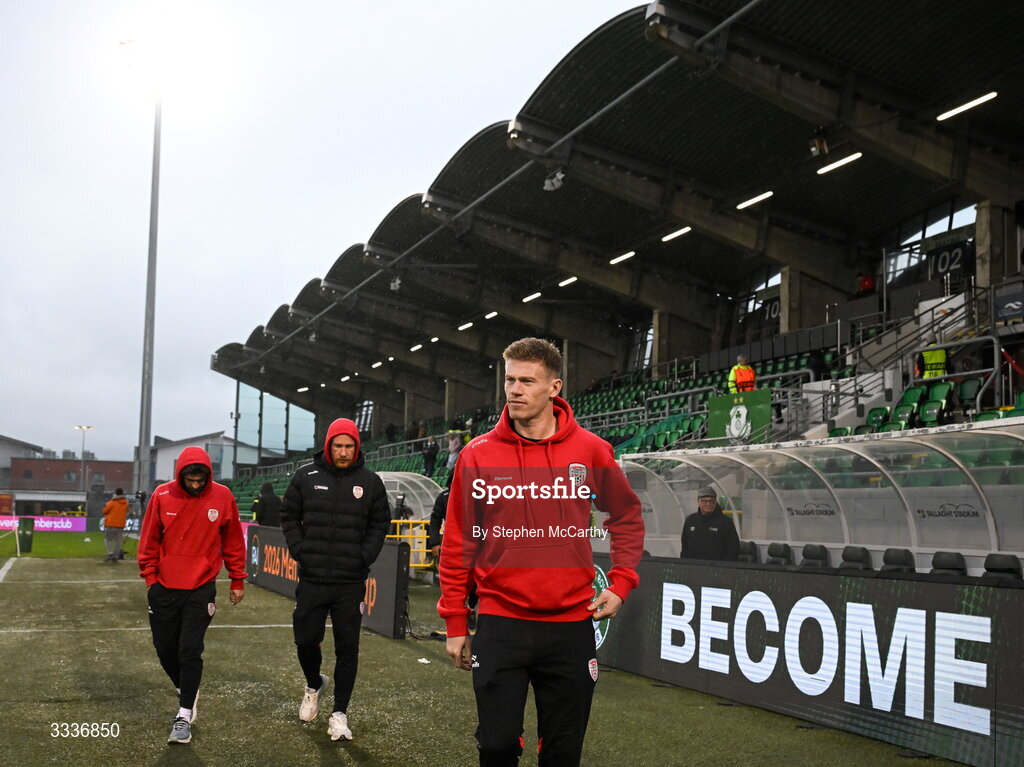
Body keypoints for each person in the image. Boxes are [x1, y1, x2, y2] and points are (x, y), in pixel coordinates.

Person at [438, 337, 645, 767]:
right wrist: (456, 619)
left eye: (527, 381)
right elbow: (459, 543)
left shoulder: (591, 451)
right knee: (495, 747)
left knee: (563, 752)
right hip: (500, 621)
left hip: (570, 624)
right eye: (510, 380)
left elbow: (626, 515)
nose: (514, 390)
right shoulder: (477, 455)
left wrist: (623, 582)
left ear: (555, 387)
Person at [280, 418, 391, 742]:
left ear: (357, 448)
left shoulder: (370, 482)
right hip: (313, 578)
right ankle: (314, 684)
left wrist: (364, 556)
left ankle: (339, 713)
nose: (343, 452)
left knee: (348, 648)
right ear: (328, 446)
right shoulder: (306, 476)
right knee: (305, 640)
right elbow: (288, 515)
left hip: (350, 581)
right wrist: (300, 550)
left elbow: (380, 522)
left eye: (349, 446)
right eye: (338, 446)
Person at [137, 447, 246, 745]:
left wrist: (237, 578)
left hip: (201, 587)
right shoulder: (162, 495)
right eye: (190, 480)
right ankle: (188, 689)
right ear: (180, 475)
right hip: (164, 588)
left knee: (189, 648)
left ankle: (184, 714)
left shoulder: (223, 497)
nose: (195, 485)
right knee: (164, 650)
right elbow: (149, 539)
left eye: (200, 481)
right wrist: (151, 579)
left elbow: (234, 540)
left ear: (208, 476)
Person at [680, 486, 740, 561]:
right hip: (694, 568)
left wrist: (722, 567)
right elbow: (685, 547)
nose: (708, 504)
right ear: (698, 501)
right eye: (704, 501)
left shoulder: (725, 522)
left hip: (717, 569)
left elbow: (733, 549)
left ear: (715, 502)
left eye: (711, 501)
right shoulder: (690, 520)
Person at [101, 488, 129, 563]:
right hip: (120, 525)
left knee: (108, 540)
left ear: (115, 493)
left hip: (110, 524)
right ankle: (115, 557)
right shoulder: (126, 503)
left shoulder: (112, 502)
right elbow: (126, 511)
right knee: (118, 541)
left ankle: (110, 554)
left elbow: (104, 511)